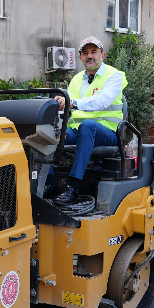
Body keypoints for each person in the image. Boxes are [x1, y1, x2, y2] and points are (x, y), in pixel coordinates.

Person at [53, 36, 127, 204]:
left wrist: (72, 103)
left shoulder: (114, 76)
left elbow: (102, 101)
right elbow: (68, 103)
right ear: (80, 57)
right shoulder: (77, 79)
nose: (89, 56)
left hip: (109, 133)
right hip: (79, 131)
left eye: (94, 52)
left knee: (88, 126)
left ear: (103, 55)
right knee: (50, 135)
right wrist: (59, 103)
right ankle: (50, 184)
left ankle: (73, 187)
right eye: (85, 53)